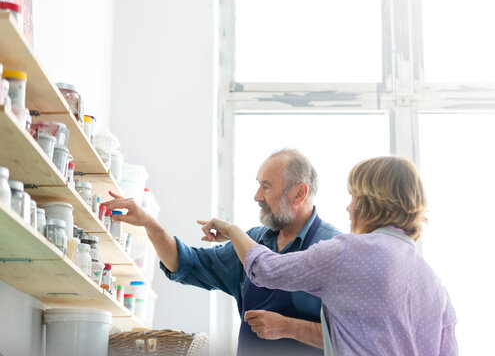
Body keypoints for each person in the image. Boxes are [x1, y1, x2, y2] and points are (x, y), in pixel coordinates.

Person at [199, 156, 459, 356]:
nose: (349, 207)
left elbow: (265, 270)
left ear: (372, 202)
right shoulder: (432, 282)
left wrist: (233, 232)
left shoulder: (349, 252)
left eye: (354, 197)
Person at [102, 149, 342, 355]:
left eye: (266, 186)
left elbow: (353, 336)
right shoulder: (255, 241)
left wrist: (288, 327)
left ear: (299, 193)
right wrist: (150, 224)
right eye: (258, 184)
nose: (257, 196)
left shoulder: (335, 248)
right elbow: (188, 263)